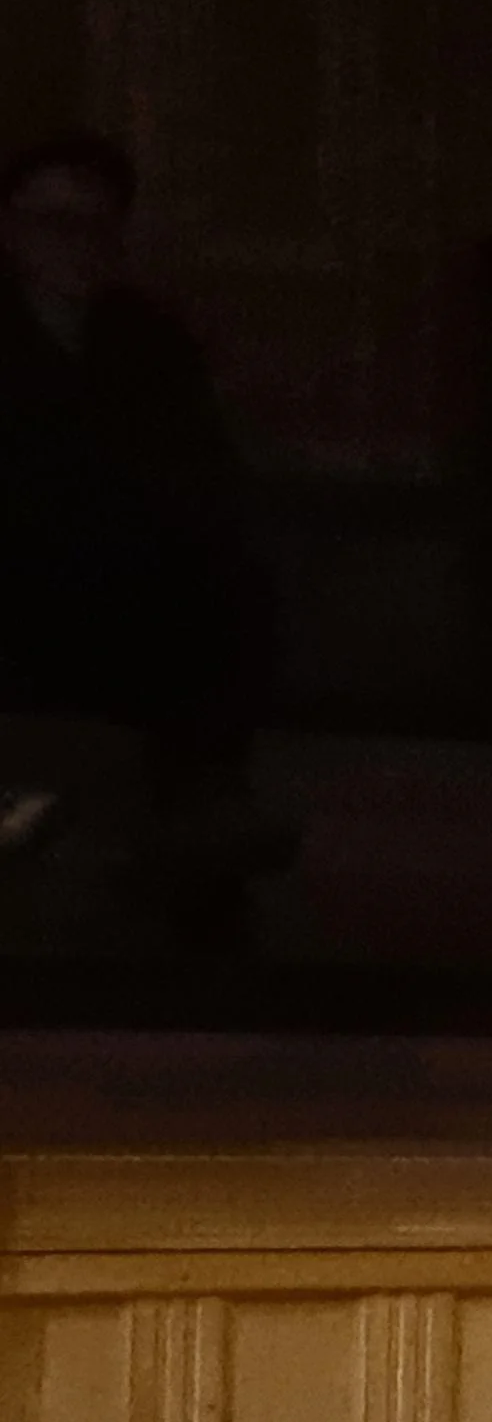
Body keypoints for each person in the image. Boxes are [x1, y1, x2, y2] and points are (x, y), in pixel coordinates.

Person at [0, 130, 281, 949]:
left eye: (92, 225)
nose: (72, 244)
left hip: (134, 615)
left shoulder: (148, 341)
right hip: (22, 614)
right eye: (49, 222)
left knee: (215, 616)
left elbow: (202, 486)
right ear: (10, 231)